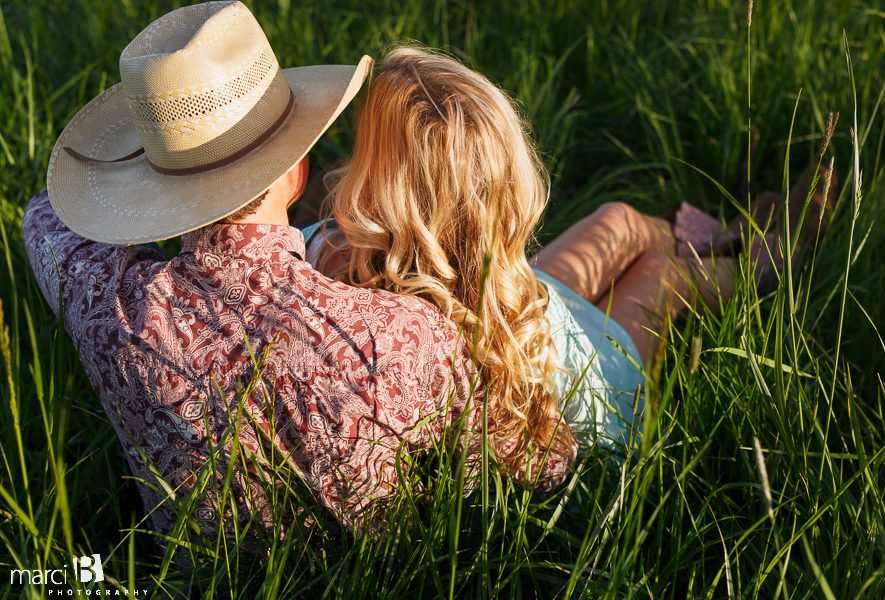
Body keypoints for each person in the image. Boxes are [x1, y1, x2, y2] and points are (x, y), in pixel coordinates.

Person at [22, 2, 573, 552]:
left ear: (153, 192)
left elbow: (42, 214)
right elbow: (535, 468)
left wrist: (148, 201)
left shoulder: (104, 307)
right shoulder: (413, 336)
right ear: (298, 169)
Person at [305, 47, 835, 451]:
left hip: (532, 306)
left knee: (618, 219)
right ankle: (769, 261)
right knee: (659, 275)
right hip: (595, 378)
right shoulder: (432, 333)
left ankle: (729, 232)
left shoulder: (343, 248)